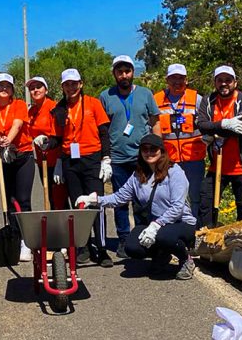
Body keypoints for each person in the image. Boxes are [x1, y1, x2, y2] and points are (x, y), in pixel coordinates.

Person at [84, 134, 197, 280]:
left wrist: (156, 225)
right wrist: (95, 200)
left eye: (153, 149)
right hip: (154, 225)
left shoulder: (175, 172)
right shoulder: (138, 175)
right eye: (145, 149)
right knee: (132, 247)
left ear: (161, 151)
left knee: (164, 236)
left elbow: (177, 207)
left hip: (180, 223)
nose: (149, 153)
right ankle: (161, 254)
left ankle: (186, 259)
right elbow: (119, 198)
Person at [48, 69, 113, 267]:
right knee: (78, 205)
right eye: (67, 84)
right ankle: (83, 246)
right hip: (70, 161)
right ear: (62, 87)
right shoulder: (59, 109)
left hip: (92, 158)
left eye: (74, 83)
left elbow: (104, 133)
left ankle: (102, 249)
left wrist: (106, 158)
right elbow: (57, 139)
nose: (71, 88)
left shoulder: (93, 103)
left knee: (96, 203)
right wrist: (47, 144)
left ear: (81, 84)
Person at [99, 55, 160, 258]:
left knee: (143, 199)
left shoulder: (145, 94)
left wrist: (160, 151)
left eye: (127, 71)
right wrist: (104, 158)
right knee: (120, 201)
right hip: (117, 158)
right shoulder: (106, 96)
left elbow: (155, 122)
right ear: (114, 74)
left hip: (142, 157)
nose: (124, 75)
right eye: (119, 71)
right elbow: (103, 129)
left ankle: (143, 235)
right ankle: (124, 239)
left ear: (133, 72)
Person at [196, 65, 242, 224]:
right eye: (220, 80)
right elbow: (201, 125)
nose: (224, 84)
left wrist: (214, 129)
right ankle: (208, 240)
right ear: (215, 82)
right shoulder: (208, 101)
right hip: (216, 166)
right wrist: (223, 124)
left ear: (235, 82)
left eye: (228, 80)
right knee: (206, 205)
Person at [0, 72, 35, 262]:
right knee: (8, 200)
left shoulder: (19, 105)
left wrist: (9, 139)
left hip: (22, 155)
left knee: (23, 199)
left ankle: (27, 241)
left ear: (12, 89)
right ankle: (14, 236)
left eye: (7, 86)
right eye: (0, 86)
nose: (4, 89)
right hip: (2, 158)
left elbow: (17, 124)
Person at [153, 64, 206, 220]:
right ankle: (171, 230)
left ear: (186, 80)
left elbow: (207, 123)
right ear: (167, 80)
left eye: (181, 78)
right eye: (173, 78)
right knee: (169, 197)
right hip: (168, 160)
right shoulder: (156, 100)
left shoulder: (197, 99)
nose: (177, 82)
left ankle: (193, 230)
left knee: (194, 197)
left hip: (193, 159)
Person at [24, 76, 65, 209]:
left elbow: (60, 137)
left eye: (38, 87)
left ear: (46, 90)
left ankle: (66, 228)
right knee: (50, 198)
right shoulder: (32, 111)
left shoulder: (54, 108)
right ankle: (54, 228)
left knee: (60, 199)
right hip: (43, 162)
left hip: (56, 161)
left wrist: (60, 160)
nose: (35, 90)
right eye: (32, 88)